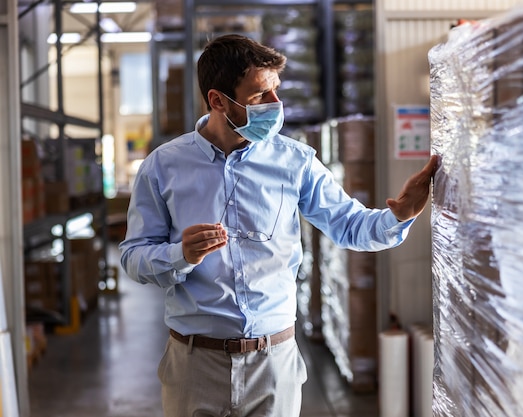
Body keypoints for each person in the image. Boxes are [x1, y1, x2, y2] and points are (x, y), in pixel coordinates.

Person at [119, 33, 438, 417]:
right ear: (218, 101)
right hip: (194, 364)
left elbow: (350, 226)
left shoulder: (294, 161)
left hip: (273, 363)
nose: (276, 105)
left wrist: (400, 215)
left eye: (276, 91)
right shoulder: (163, 166)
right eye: (259, 96)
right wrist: (179, 254)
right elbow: (134, 257)